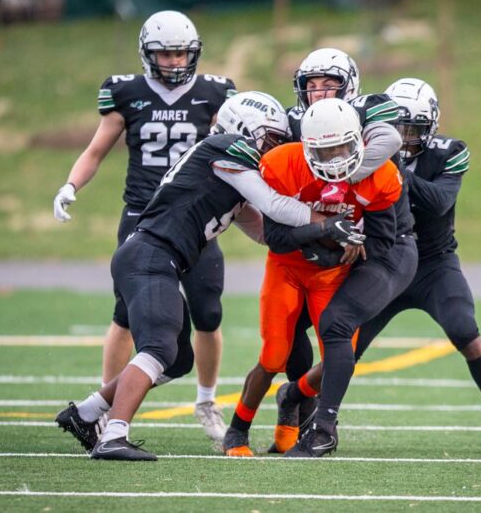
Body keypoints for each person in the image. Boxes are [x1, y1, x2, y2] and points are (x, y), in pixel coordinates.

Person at [55, 91, 335, 461]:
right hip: (152, 253)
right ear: (244, 128)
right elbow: (274, 205)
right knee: (158, 347)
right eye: (270, 139)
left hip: (159, 258)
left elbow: (266, 232)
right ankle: (113, 435)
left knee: (177, 359)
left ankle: (86, 413)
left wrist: (318, 243)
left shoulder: (230, 177)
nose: (274, 149)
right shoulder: (224, 147)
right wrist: (326, 221)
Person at [275, 78, 481, 453]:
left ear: (431, 126)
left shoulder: (444, 153)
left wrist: (393, 164)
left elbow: (439, 202)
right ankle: (296, 395)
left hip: (433, 263)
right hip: (383, 259)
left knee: (465, 330)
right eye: (397, 129)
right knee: (346, 346)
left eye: (414, 130)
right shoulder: (360, 155)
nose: (405, 137)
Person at [52, 10, 236, 442]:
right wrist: (70, 184)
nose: (174, 61)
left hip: (194, 220)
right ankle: (104, 407)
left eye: (180, 53)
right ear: (147, 54)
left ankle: (206, 401)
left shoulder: (214, 94)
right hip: (142, 217)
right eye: (166, 53)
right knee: (126, 316)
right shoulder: (127, 93)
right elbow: (97, 150)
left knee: (208, 314)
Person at [222, 97, 410, 457]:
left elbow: (384, 241)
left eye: (343, 147)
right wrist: (324, 233)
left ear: (359, 141)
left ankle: (293, 404)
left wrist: (356, 243)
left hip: (334, 275)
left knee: (340, 358)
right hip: (288, 267)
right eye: (326, 151)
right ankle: (237, 429)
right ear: (308, 149)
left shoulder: (381, 174)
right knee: (274, 355)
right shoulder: (282, 164)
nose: (337, 158)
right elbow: (275, 238)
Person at [278, 47, 405, 429]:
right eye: (311, 86)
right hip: (317, 231)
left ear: (348, 87)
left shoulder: (370, 108)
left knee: (341, 332)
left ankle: (316, 415)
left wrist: (338, 173)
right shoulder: (293, 121)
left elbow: (390, 141)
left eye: (329, 85)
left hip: (370, 229)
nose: (319, 92)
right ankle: (301, 399)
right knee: (287, 333)